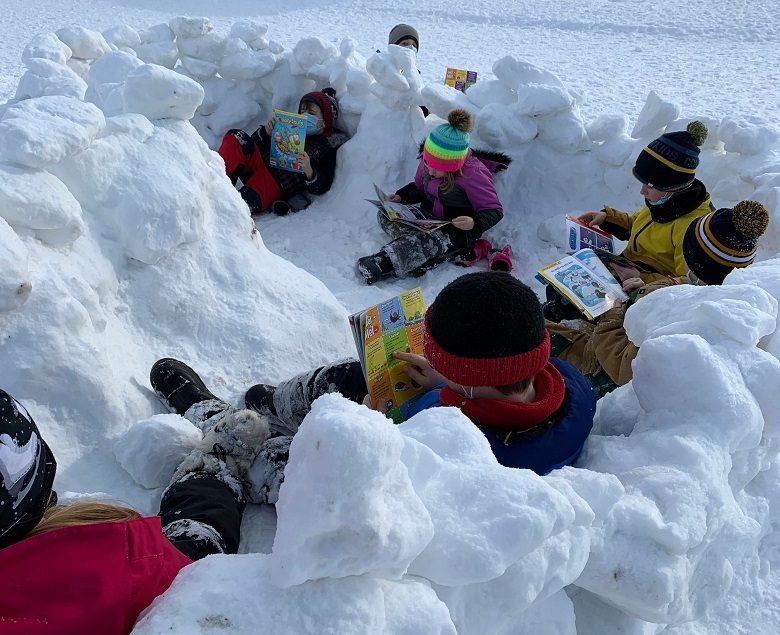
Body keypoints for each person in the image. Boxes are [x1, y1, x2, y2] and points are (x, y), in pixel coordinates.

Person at [153, 273, 596, 506]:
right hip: (462, 401)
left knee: (275, 460)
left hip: (382, 466)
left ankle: (217, 423)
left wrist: (366, 427)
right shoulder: (568, 385)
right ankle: (272, 402)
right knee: (358, 374)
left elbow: (384, 483)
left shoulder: (462, 451)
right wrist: (447, 379)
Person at [0, 380, 269, 634]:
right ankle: (215, 470)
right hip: (159, 570)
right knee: (197, 544)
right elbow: (191, 582)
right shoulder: (108, 570)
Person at [547, 200, 769, 396]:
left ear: (692, 255)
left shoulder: (682, 310)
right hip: (610, 340)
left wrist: (612, 314)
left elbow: (626, 370)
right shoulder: (698, 290)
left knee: (532, 332)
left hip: (600, 368)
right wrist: (641, 289)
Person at [545, 121, 713, 321]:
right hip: (625, 267)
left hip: (642, 288)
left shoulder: (693, 228)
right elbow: (639, 225)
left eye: (649, 185)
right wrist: (608, 219)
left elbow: (685, 283)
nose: (642, 191)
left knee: (578, 303)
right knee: (558, 285)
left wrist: (640, 277)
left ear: (673, 186)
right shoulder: (663, 202)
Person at [357, 109, 508, 284]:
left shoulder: (473, 175)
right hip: (427, 219)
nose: (428, 169)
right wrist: (401, 197)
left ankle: (382, 263)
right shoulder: (427, 164)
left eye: (435, 167)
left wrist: (473, 223)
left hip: (455, 230)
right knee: (385, 215)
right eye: (426, 162)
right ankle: (422, 253)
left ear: (454, 166)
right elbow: (419, 188)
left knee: (431, 241)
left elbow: (494, 210)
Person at [218, 88, 347, 216]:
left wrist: (309, 171)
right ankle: (216, 183)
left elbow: (323, 185)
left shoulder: (327, 146)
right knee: (236, 137)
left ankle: (227, 209)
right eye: (303, 112)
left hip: (274, 183)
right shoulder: (289, 127)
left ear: (325, 121)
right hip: (260, 165)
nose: (305, 116)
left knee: (239, 204)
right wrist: (265, 133)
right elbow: (251, 147)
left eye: (312, 113)